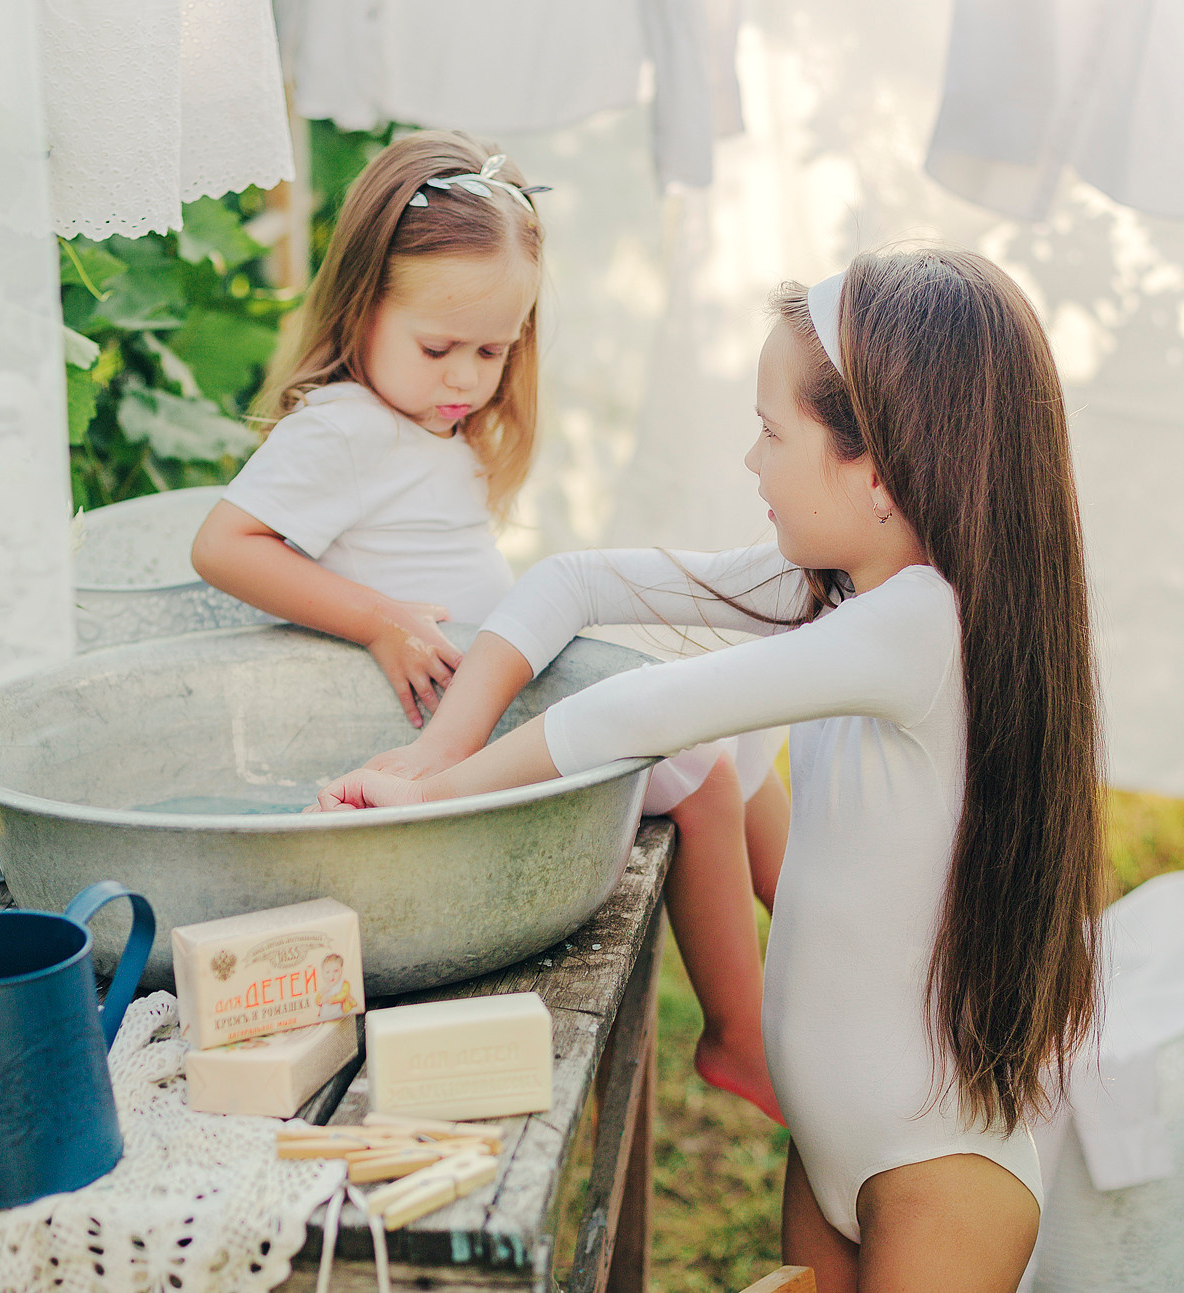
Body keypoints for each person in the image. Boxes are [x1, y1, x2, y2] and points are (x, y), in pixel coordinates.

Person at [314, 248, 1105, 1293]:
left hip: (934, 1173)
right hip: (831, 1143)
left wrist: (432, 801)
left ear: (876, 473)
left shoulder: (921, 622)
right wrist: (437, 746)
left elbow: (640, 711)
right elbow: (576, 580)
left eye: (772, 432)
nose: (750, 459)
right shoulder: (841, 586)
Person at [189, 130, 788, 1122]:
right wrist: (376, 619)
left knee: (733, 745)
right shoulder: (343, 424)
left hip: (484, 697)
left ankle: (826, 948)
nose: (465, 378)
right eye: (438, 348)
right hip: (449, 725)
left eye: (493, 350)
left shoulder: (429, 422)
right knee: (705, 767)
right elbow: (224, 545)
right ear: (362, 306)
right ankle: (739, 1031)